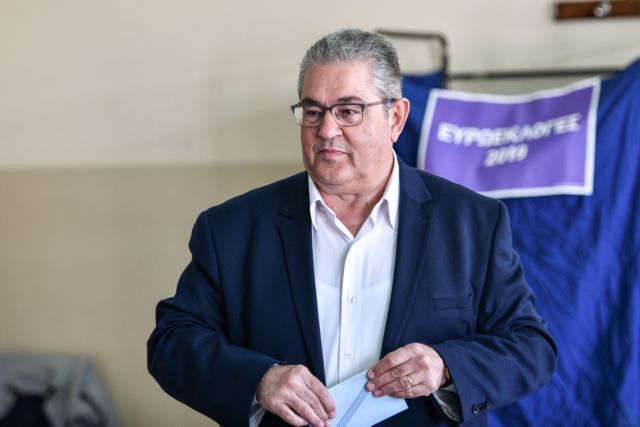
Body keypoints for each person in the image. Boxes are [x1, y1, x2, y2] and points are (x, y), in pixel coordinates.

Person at [147, 29, 556, 427]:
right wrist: (259, 380)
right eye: (313, 112)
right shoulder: (232, 228)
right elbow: (172, 341)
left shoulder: (472, 222)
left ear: (396, 118)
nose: (326, 131)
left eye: (348, 111)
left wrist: (446, 365)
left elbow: (530, 346)